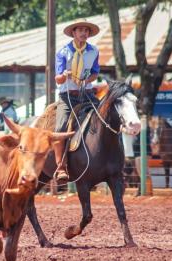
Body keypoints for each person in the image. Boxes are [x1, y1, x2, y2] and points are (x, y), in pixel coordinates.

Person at [54, 18, 101, 182]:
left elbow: (95, 72)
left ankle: (110, 162)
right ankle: (61, 167)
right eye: (80, 30)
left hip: (87, 94)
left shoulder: (94, 51)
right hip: (67, 97)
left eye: (86, 31)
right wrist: (64, 75)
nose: (84, 33)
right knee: (60, 127)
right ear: (73, 33)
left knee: (106, 117)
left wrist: (87, 81)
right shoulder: (63, 52)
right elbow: (57, 79)